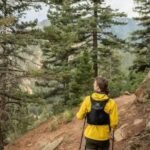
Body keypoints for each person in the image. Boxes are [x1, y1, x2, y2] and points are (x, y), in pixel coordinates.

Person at [76, 76, 118, 150]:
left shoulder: (87, 100)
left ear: (98, 88)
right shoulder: (111, 103)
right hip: (104, 137)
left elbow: (79, 117)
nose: (93, 85)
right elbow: (114, 124)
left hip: (90, 136)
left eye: (94, 84)